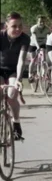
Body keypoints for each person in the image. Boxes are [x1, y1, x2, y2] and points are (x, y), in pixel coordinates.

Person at [0, 12, 30, 140]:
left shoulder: (25, 38)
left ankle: (16, 122)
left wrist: (18, 80)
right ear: (6, 26)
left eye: (20, 26)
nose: (17, 29)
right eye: (14, 26)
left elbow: (21, 60)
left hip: (13, 70)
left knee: (12, 94)